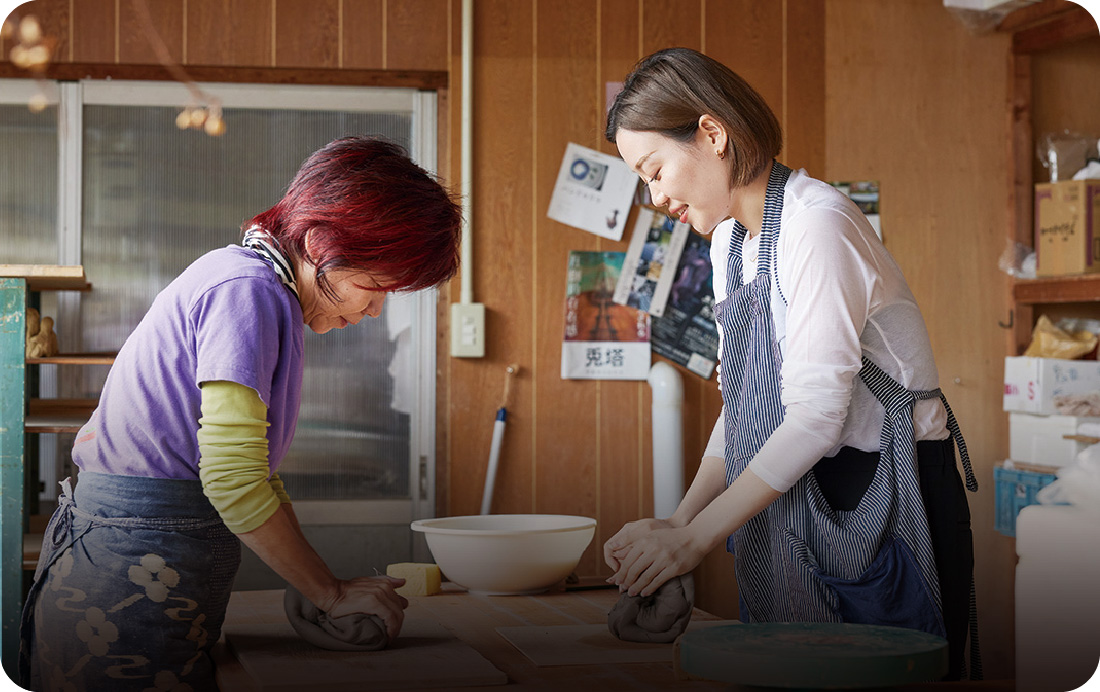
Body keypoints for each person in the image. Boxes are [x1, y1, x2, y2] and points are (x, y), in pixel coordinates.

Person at [19, 136, 463, 691]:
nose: (374, 309)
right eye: (372, 286)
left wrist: (311, 581)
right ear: (321, 242)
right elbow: (231, 479)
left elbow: (256, 475)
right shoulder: (246, 291)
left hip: (139, 557)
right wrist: (329, 592)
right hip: (123, 568)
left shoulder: (259, 288)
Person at [602, 48, 979, 680]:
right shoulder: (730, 239)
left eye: (655, 168)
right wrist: (679, 521)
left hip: (887, 484)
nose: (655, 194)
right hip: (797, 479)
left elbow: (814, 420)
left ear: (711, 134)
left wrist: (694, 543)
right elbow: (747, 405)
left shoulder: (817, 225)